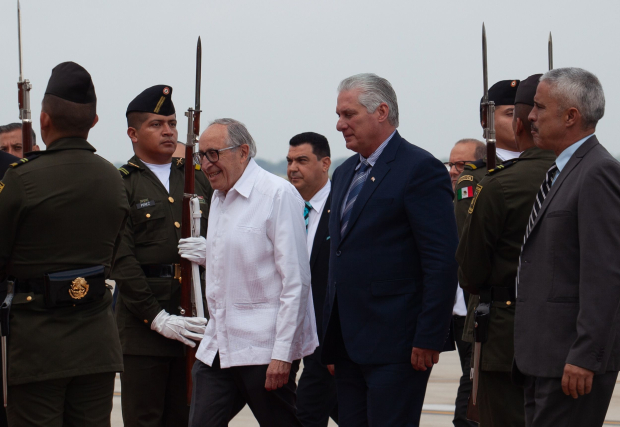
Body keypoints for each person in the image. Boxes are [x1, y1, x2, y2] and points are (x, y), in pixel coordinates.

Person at [321, 73, 458, 425]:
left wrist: (430, 336)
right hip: (348, 344)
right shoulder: (343, 173)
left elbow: (440, 261)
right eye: (339, 115)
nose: (339, 125)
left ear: (381, 111)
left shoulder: (420, 169)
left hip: (398, 346)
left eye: (349, 114)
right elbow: (337, 258)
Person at [0, 61, 128, 426]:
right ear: (95, 121)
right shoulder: (113, 178)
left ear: (43, 121)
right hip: (97, 343)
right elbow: (114, 253)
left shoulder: (21, 179)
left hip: (37, 346)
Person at [179, 118, 318, 427]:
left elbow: (296, 282)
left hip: (263, 348)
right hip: (219, 344)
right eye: (201, 156)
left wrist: (283, 354)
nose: (206, 164)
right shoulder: (218, 196)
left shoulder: (277, 195)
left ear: (243, 152)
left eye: (213, 154)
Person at [514, 68, 620, 427]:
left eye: (540, 108)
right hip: (542, 359)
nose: (530, 116)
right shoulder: (562, 170)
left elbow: (604, 273)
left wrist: (586, 355)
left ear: (571, 116)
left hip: (570, 362)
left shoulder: (597, 172)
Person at [456, 74, 555, 427]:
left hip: (508, 326)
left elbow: (471, 268)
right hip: (503, 321)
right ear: (487, 120)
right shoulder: (479, 177)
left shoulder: (503, 181)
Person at [111, 85, 213, 427]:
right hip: (144, 329)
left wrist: (213, 250)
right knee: (145, 419)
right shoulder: (121, 184)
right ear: (133, 133)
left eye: (171, 123)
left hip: (197, 318)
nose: (168, 131)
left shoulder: (198, 178)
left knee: (190, 417)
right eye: (157, 124)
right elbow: (122, 261)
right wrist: (156, 318)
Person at [286, 131, 338, 427]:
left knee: (307, 412)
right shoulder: (284, 206)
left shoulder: (343, 205)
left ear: (325, 163)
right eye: (290, 161)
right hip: (290, 332)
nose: (293, 168)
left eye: (302, 160)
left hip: (326, 334)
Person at [446, 138, 484, 427]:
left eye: (462, 164)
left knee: (473, 379)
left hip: (476, 307)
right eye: (451, 164)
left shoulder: (484, 202)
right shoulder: (446, 202)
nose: (453, 170)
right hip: (453, 313)